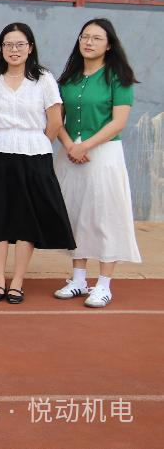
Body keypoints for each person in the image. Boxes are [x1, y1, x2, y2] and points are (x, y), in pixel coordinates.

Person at [0, 23, 76, 304]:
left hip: (35, 155)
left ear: (30, 48)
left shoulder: (44, 79)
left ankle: (17, 281)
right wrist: (10, 138)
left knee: (26, 218)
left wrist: (35, 143)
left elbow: (55, 121)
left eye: (20, 44)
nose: (13, 50)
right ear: (0, 49)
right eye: (8, 45)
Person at [54, 19, 141, 308]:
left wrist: (85, 145)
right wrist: (70, 145)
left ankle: (104, 284)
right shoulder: (68, 78)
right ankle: (78, 279)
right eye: (85, 37)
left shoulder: (118, 77)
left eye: (96, 38)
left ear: (109, 44)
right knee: (76, 214)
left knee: (106, 216)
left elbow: (118, 122)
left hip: (103, 154)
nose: (89, 42)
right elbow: (56, 120)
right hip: (70, 154)